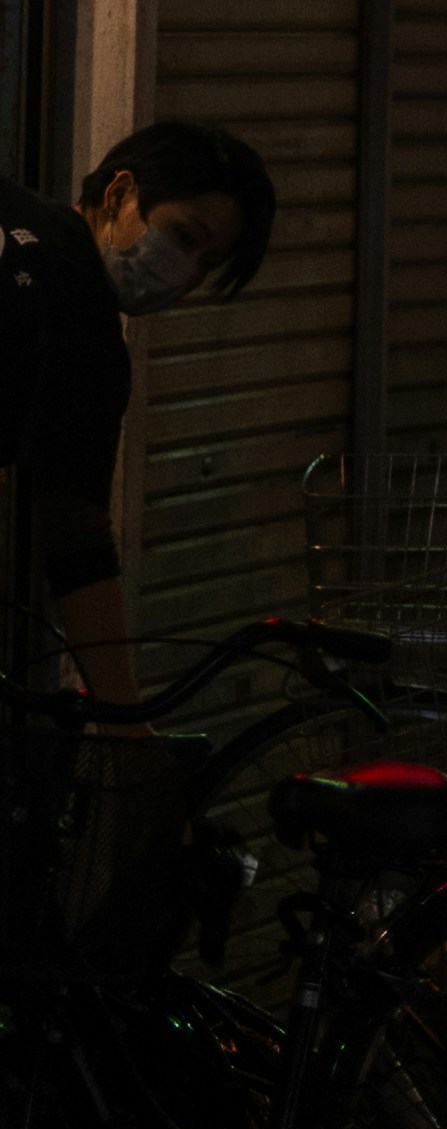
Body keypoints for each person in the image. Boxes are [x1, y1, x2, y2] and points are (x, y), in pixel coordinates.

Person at [5, 123, 280, 700]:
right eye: (183, 236)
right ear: (118, 193)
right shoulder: (86, 333)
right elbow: (77, 537)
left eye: (205, 263)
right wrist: (124, 713)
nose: (185, 273)